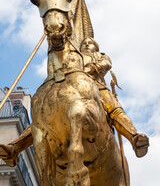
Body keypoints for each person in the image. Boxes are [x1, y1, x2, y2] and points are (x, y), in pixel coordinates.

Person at [0, 37, 149, 167]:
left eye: (90, 43)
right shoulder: (73, 56)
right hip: (73, 88)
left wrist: (91, 68)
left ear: (96, 48)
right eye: (84, 43)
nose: (86, 44)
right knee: (44, 118)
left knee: (114, 109)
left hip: (96, 88)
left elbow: (106, 65)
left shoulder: (100, 56)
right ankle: (15, 148)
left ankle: (134, 138)